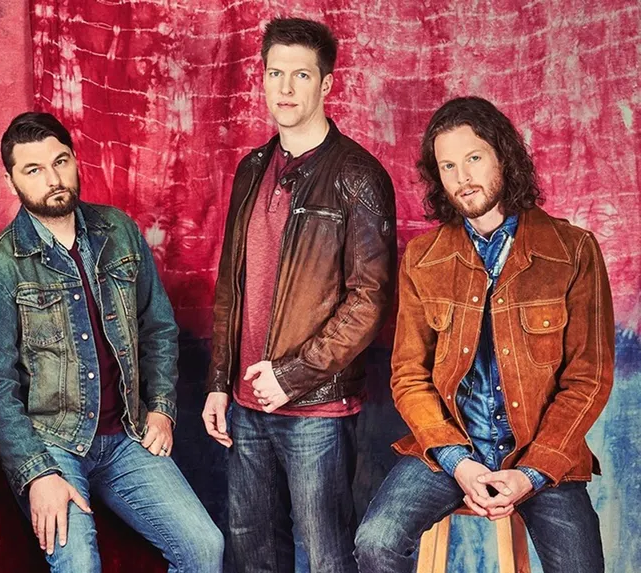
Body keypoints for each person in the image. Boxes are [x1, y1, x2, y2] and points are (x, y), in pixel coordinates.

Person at [354, 96, 614, 573]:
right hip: (452, 449)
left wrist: (531, 473)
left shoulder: (573, 250)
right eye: (447, 166)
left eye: (473, 158)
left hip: (542, 453)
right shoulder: (423, 257)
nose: (462, 178)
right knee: (375, 542)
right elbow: (409, 376)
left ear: (503, 155)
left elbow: (589, 379)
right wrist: (459, 462)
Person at [0, 112, 224, 572]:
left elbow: (158, 328)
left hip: (125, 435)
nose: (53, 179)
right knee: (79, 565)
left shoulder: (118, 231)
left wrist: (162, 407)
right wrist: (36, 473)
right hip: (52, 444)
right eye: (34, 170)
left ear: (74, 159)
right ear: (11, 182)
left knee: (206, 547)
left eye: (60, 161)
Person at [201, 17, 396, 573]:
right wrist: (219, 382)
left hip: (318, 408)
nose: (284, 89)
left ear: (327, 85)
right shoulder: (251, 168)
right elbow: (229, 288)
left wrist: (290, 375)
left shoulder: (358, 175)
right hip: (244, 405)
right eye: (274, 73)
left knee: (327, 557)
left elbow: (368, 302)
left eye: (300, 75)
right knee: (253, 554)